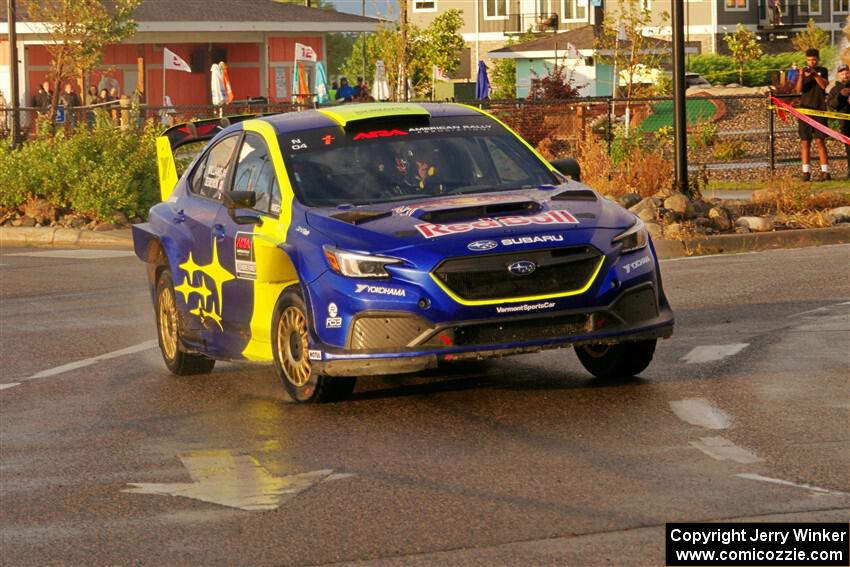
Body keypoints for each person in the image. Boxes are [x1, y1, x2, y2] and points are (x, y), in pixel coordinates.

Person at [796, 48, 830, 181]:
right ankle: (806, 172)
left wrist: (815, 75)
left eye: (814, 59)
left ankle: (825, 172)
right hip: (805, 111)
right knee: (805, 142)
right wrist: (801, 75)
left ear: (818, 59)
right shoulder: (803, 72)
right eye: (809, 60)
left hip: (819, 109)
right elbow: (798, 90)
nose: (812, 62)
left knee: (820, 141)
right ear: (806, 60)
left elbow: (823, 86)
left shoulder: (823, 70)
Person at [827, 63, 850, 179]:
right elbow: (832, 105)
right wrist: (840, 95)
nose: (845, 75)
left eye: (847, 72)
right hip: (845, 122)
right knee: (849, 146)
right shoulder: (835, 89)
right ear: (838, 75)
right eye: (842, 73)